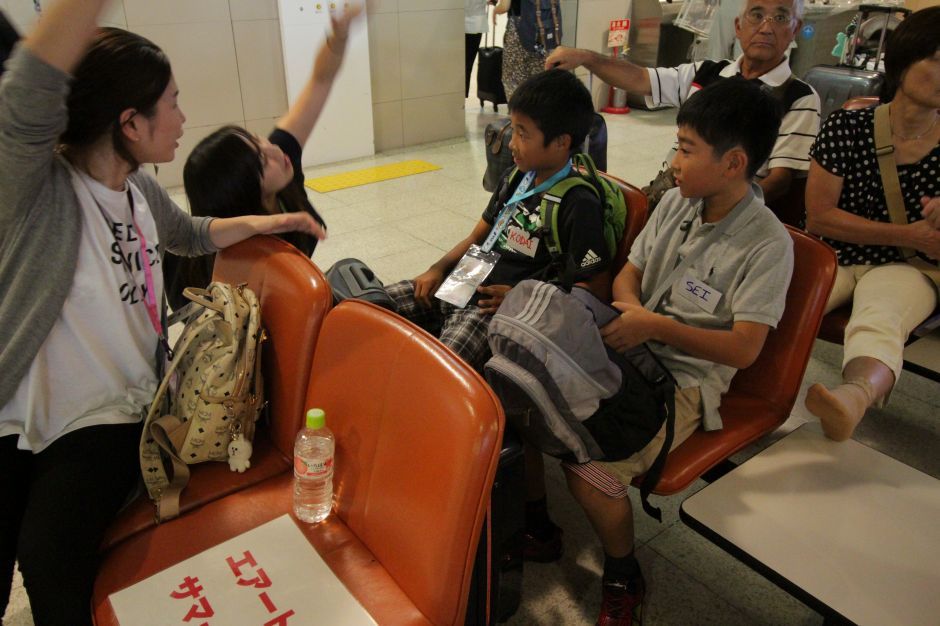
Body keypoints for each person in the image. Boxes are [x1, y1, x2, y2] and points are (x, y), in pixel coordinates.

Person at [0, 1, 324, 623]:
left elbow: (191, 232)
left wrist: (276, 218)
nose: (183, 117)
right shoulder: (39, 187)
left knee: (48, 555)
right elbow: (28, 88)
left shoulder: (140, 187)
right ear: (130, 122)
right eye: (171, 102)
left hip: (111, 410)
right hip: (17, 408)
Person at [535, 78, 793, 626]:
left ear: (733, 163)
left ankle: (624, 573)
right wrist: (633, 314)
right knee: (529, 401)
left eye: (685, 148)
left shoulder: (768, 245)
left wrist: (656, 328)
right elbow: (630, 272)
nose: (673, 161)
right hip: (631, 343)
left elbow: (745, 350)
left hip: (686, 381)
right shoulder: (677, 201)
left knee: (591, 472)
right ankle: (534, 523)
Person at [384, 68, 611, 371]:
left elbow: (593, 286)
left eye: (523, 133)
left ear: (560, 142)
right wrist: (437, 269)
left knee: (439, 371)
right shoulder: (516, 177)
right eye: (513, 128)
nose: (512, 143)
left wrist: (521, 299)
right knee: (369, 305)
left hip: (496, 309)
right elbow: (477, 236)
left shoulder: (578, 202)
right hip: (464, 280)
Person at [163, 6, 361, 311]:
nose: (274, 150)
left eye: (259, 140)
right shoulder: (229, 253)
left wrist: (339, 35)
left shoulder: (280, 165)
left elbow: (319, 81)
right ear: (240, 192)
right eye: (260, 161)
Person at [803, 7, 940, 442]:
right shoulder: (849, 125)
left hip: (911, 267)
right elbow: (820, 216)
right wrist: (910, 233)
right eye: (936, 58)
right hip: (839, 254)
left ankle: (852, 398)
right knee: (787, 301)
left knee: (880, 317)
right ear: (904, 60)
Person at [545, 0, 819, 204]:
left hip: (729, 210)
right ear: (738, 26)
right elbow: (641, 79)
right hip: (670, 193)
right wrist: (587, 58)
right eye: (756, 15)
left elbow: (780, 180)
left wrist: (720, 210)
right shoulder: (708, 73)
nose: (766, 27)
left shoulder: (799, 97)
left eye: (781, 17)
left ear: (796, 29)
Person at [494, 0, 561, 100]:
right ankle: (537, 112)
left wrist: (495, 11)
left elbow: (504, 6)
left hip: (519, 31)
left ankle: (520, 112)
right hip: (545, 32)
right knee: (540, 78)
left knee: (514, 79)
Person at [465, 0, 489, 98]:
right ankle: (460, 99)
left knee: (464, 65)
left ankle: (459, 99)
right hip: (475, 22)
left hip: (473, 23)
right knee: (466, 64)